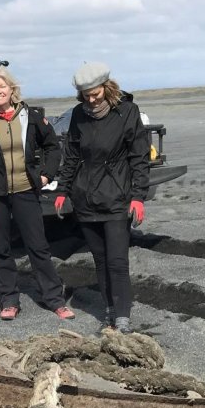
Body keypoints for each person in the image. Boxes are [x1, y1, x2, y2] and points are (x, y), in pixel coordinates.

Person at [0, 66, 75, 322]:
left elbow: (52, 147)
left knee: (38, 247)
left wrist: (46, 175)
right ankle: (9, 300)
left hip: (26, 191)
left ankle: (54, 300)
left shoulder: (30, 116)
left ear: (11, 89)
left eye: (1, 86)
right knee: (1, 249)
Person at [54, 62, 151, 334]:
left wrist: (138, 197)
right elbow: (72, 155)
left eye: (95, 94)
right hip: (86, 198)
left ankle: (123, 317)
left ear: (107, 88)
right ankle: (109, 311)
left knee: (117, 261)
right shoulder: (78, 115)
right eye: (86, 95)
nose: (91, 100)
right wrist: (62, 190)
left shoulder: (127, 112)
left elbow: (139, 157)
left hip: (117, 197)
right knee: (100, 260)